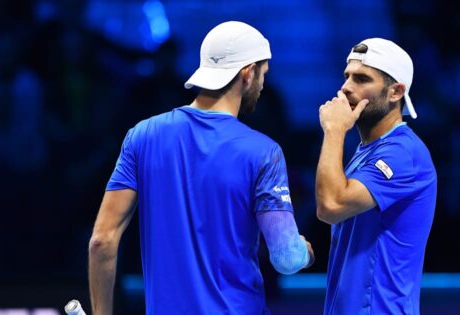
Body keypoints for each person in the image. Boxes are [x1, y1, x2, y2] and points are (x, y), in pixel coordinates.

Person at [88, 21, 315, 315]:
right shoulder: (263, 152)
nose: (262, 87)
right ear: (247, 73)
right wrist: (304, 252)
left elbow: (102, 242)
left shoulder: (142, 136)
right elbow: (286, 257)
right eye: (263, 75)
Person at [316, 38, 437, 315]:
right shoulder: (369, 151)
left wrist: (334, 131)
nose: (346, 87)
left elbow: (331, 206)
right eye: (346, 76)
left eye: (361, 79)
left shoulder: (403, 153)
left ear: (395, 92)